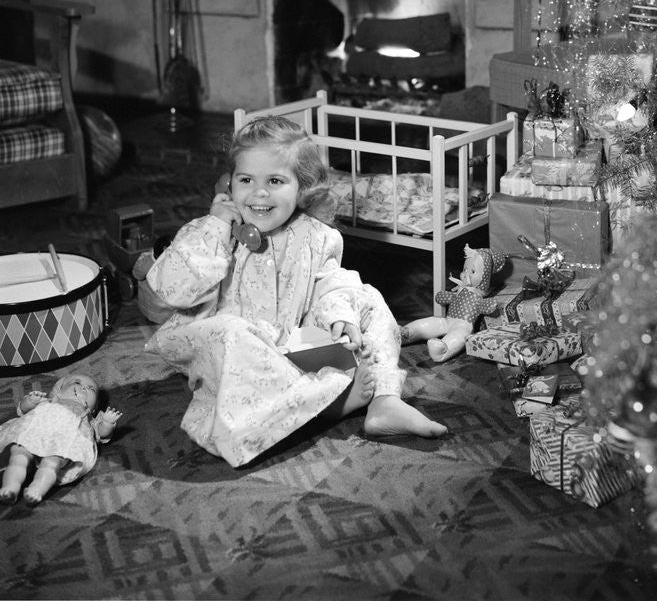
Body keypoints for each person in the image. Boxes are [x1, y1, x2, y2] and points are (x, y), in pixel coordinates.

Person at [144, 114, 447, 468]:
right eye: (246, 180)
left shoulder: (314, 235)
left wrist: (340, 318)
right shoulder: (211, 231)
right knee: (231, 331)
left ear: (300, 188)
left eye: (274, 180)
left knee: (364, 296)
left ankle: (383, 400)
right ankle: (322, 403)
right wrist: (216, 225)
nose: (259, 193)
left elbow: (331, 280)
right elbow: (169, 287)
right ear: (229, 185)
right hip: (235, 354)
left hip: (292, 342)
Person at [0, 372, 121, 505]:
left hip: (62, 444)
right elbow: (23, 410)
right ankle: (11, 487)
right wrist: (29, 401)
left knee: (52, 463)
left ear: (94, 407)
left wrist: (108, 423)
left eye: (91, 389)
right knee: (19, 454)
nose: (85, 388)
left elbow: (102, 434)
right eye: (77, 383)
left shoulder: (90, 417)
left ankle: (37, 489)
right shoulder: (48, 401)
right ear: (59, 391)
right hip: (35, 432)